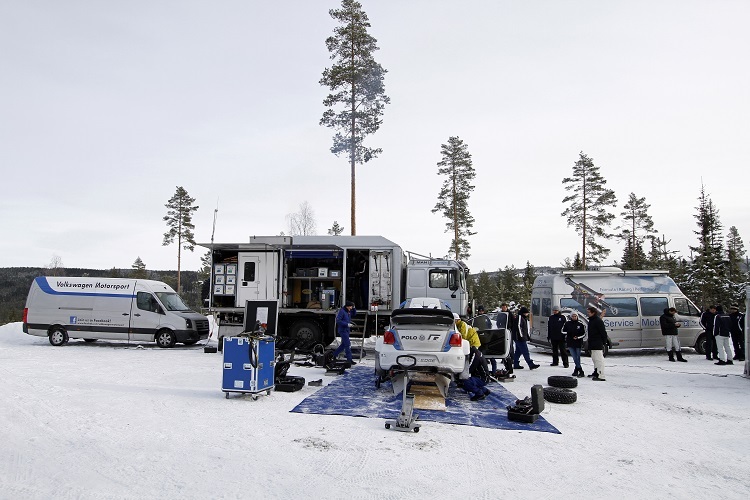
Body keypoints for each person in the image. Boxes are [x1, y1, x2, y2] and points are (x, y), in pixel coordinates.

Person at [586, 306, 608, 381]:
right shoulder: (592, 320)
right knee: (594, 359)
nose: (588, 313)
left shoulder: (598, 321)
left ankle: (601, 375)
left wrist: (604, 342)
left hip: (597, 343)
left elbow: (603, 332)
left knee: (599, 360)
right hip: (592, 343)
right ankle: (596, 372)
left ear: (593, 312)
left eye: (589, 312)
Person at [333, 301, 357, 366]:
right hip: (343, 330)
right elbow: (338, 320)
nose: (351, 308)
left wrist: (354, 308)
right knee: (347, 344)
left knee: (343, 345)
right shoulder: (342, 311)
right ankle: (349, 359)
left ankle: (334, 355)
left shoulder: (348, 311)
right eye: (351, 307)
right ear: (347, 306)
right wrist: (347, 324)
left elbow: (354, 314)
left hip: (346, 330)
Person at [563, 311, 586, 377]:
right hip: (570, 342)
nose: (574, 317)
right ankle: (579, 369)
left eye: (575, 316)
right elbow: (563, 331)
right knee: (574, 357)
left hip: (578, 343)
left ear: (577, 317)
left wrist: (578, 337)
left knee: (577, 357)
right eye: (573, 316)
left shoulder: (580, 324)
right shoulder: (567, 324)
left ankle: (578, 370)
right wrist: (568, 333)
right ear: (571, 317)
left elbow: (584, 333)